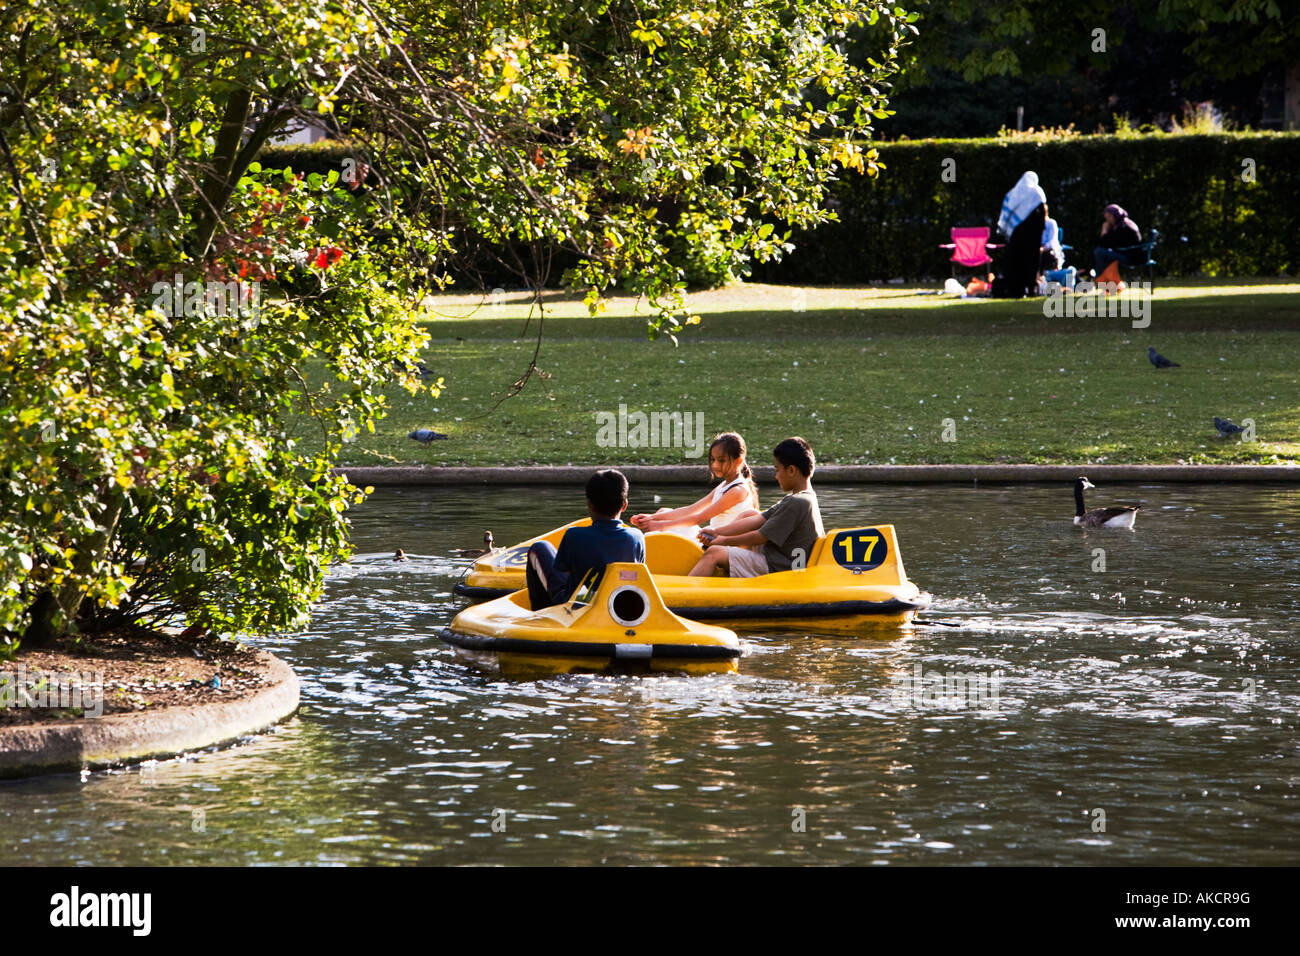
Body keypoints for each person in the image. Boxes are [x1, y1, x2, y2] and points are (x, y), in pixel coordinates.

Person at [688, 437, 824, 578]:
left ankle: (687, 594)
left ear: (791, 470)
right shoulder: (803, 497)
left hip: (779, 567)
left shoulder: (797, 502)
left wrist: (724, 541)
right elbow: (757, 520)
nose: (776, 476)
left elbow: (760, 537)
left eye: (777, 470)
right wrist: (716, 532)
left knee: (714, 553)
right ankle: (728, 563)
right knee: (749, 515)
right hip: (778, 557)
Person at [525, 469, 645, 609]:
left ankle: (539, 613)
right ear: (624, 505)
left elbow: (561, 570)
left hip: (576, 603)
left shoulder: (574, 535)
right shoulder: (637, 537)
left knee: (539, 547)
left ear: (589, 504)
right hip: (616, 604)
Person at [630, 432, 760, 536]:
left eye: (721, 460)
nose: (715, 465)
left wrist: (660, 526)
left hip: (717, 544)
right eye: (713, 460)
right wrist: (651, 517)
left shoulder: (737, 491)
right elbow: (691, 509)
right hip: (708, 537)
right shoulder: (724, 486)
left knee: (660, 528)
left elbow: (700, 518)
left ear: (738, 461)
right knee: (663, 512)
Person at [993, 170, 1048, 298]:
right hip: (1032, 238)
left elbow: (1007, 213)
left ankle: (1016, 289)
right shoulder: (1037, 193)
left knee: (1016, 261)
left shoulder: (1013, 193)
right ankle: (1030, 288)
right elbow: (1042, 215)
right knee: (1031, 261)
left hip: (1016, 235)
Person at [1093, 203, 1145, 273]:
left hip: (1131, 258)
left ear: (1115, 215)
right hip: (1129, 254)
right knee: (1102, 254)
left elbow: (1104, 243)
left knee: (1099, 252)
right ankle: (1100, 278)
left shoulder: (1123, 226)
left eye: (1109, 217)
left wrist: (1104, 228)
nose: (1108, 220)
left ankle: (1103, 278)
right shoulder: (1124, 223)